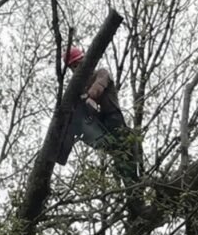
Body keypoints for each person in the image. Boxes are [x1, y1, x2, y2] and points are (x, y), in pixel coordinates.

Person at [63, 46, 148, 216]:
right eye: (73, 68)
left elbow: (97, 91)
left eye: (77, 65)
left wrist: (85, 97)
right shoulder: (78, 86)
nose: (76, 70)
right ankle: (135, 200)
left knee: (127, 162)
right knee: (121, 159)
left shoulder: (101, 73)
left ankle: (137, 202)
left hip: (113, 120)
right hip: (98, 125)